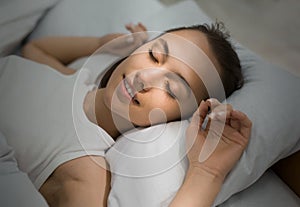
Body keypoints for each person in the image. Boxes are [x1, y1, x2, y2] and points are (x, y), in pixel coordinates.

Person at [0, 22, 251, 206]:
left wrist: (207, 174)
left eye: (171, 89)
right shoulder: (76, 80)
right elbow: (35, 50)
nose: (144, 78)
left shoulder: (84, 171)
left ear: (178, 119)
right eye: (154, 55)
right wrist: (98, 45)